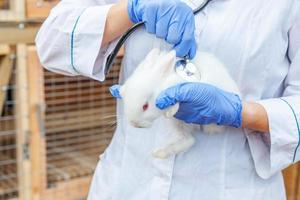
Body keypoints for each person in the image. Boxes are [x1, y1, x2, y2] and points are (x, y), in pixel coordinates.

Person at [35, 0, 300, 199]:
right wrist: (132, 9)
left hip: (230, 188)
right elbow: (52, 42)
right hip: (127, 185)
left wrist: (240, 113)